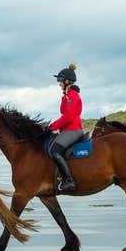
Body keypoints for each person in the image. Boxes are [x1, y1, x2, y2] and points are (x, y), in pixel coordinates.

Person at [48, 63, 83, 192]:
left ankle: (69, 180)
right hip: (68, 129)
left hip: (73, 129)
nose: (59, 83)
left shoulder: (72, 95)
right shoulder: (67, 95)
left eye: (60, 81)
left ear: (67, 81)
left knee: (54, 151)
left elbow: (68, 117)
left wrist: (52, 127)